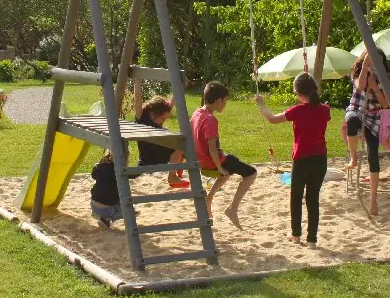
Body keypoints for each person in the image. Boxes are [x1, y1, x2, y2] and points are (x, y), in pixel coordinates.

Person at [256, 72, 331, 245]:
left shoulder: (297, 110)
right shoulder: (325, 109)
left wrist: (261, 106)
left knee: (296, 196)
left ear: (298, 93)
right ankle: (312, 239)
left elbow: (272, 119)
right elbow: (318, 113)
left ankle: (296, 234)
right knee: (313, 198)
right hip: (320, 159)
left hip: (302, 159)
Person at [191, 81, 256, 228]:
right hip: (211, 161)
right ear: (218, 100)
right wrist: (219, 167)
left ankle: (209, 199)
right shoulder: (210, 119)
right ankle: (232, 209)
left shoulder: (197, 113)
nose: (225, 105)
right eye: (225, 101)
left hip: (201, 160)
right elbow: (213, 149)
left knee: (227, 169)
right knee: (251, 173)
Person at [344, 49, 390, 215]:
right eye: (370, 60)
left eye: (377, 61)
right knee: (351, 121)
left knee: (373, 156)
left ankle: (373, 199)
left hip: (374, 115)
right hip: (357, 109)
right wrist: (365, 66)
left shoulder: (383, 79)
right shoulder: (357, 73)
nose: (373, 64)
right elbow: (361, 86)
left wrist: (375, 88)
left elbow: (386, 105)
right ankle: (353, 157)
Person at [135, 95, 189, 189]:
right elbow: (138, 99)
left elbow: (171, 102)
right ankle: (173, 176)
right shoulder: (141, 119)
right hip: (150, 159)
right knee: (179, 145)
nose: (163, 121)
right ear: (154, 114)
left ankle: (177, 171)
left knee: (183, 146)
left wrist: (180, 84)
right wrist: (137, 81)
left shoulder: (155, 118)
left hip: (155, 155)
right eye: (163, 118)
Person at [90, 143, 131, 228]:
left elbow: (93, 176)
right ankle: (107, 218)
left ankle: (105, 220)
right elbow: (132, 176)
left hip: (93, 205)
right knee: (124, 198)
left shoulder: (100, 166)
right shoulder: (119, 172)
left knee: (108, 192)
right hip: (107, 209)